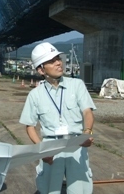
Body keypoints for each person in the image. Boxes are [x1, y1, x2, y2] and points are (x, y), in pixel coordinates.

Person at [19, 42, 96, 194]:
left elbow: (87, 112)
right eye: (52, 61)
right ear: (41, 69)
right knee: (49, 190)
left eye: (58, 58)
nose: (59, 63)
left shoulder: (77, 85)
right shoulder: (35, 95)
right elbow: (30, 126)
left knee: (79, 190)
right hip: (50, 148)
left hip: (76, 145)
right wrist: (41, 149)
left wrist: (87, 133)